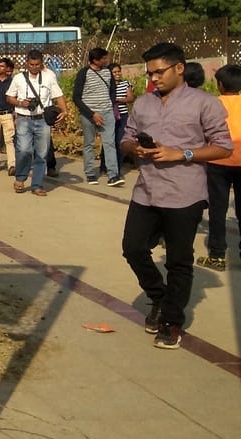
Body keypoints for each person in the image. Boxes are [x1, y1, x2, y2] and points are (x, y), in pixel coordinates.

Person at [120, 42, 232, 349]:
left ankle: (171, 321)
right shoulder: (143, 103)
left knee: (179, 260)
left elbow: (223, 147)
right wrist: (135, 148)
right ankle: (159, 297)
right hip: (146, 190)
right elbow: (126, 140)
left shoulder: (204, 103)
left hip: (185, 194)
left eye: (159, 72)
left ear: (178, 68)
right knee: (133, 248)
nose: (154, 78)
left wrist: (180, 153)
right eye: (150, 73)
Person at [6, 48, 68, 196]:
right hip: (23, 118)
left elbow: (58, 95)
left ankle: (37, 184)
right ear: (27, 63)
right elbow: (9, 97)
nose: (34, 67)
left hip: (42, 120)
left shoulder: (48, 77)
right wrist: (21, 103)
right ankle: (20, 178)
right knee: (24, 150)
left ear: (41, 64)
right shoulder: (19, 78)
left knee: (42, 153)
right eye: (31, 64)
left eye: (37, 64)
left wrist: (64, 111)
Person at [200, 63, 241, 272]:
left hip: (217, 162)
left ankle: (217, 256)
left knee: (218, 210)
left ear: (221, 85)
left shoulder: (213, 104)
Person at [72, 48, 124, 187]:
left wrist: (110, 104)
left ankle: (113, 175)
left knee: (109, 143)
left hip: (107, 112)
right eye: (103, 58)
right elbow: (76, 97)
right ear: (95, 60)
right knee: (89, 143)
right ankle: (90, 173)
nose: (106, 60)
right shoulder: (84, 73)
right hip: (88, 114)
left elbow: (113, 90)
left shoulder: (107, 72)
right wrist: (92, 114)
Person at [103, 62, 135, 175]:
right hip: (109, 115)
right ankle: (105, 166)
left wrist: (117, 99)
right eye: (114, 72)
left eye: (118, 71)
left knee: (120, 141)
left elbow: (130, 98)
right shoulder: (106, 85)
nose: (117, 74)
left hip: (123, 116)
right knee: (109, 141)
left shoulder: (125, 84)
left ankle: (117, 167)